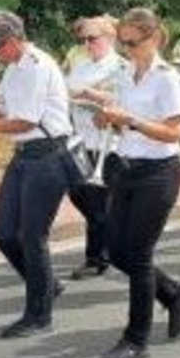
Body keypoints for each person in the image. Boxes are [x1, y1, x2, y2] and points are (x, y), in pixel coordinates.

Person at [93, 8, 180, 358]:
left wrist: (131, 120)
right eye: (122, 42)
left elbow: (173, 132)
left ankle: (136, 338)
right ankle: (174, 292)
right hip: (127, 167)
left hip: (158, 173)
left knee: (138, 256)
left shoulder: (168, 78)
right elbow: (123, 122)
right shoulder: (124, 72)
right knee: (116, 251)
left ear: (152, 39)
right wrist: (107, 116)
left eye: (132, 42)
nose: (126, 49)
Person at [0, 11, 77, 337]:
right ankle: (45, 283)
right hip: (26, 155)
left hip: (47, 155)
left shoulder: (35, 66)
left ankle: (39, 314)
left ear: (12, 41)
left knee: (31, 236)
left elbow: (25, 121)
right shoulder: (14, 68)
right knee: (1, 231)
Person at [63, 15, 123, 280]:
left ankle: (96, 257)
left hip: (109, 144)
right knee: (77, 192)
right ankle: (114, 233)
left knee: (97, 201)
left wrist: (89, 94)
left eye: (92, 38)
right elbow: (67, 92)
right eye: (84, 39)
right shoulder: (82, 65)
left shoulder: (120, 66)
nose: (87, 44)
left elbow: (120, 98)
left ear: (109, 38)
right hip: (81, 140)